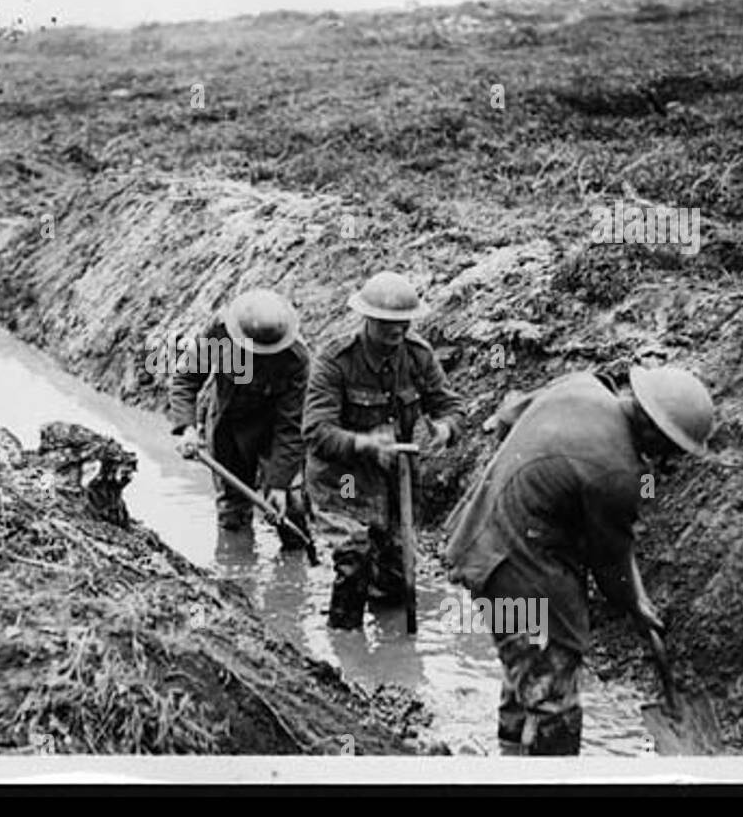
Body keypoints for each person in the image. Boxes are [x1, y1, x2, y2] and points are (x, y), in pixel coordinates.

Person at [443, 365, 715, 755]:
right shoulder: (617, 471)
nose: (669, 462)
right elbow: (610, 566)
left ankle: (512, 756)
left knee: (528, 667)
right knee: (554, 689)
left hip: (482, 542)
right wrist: (635, 607)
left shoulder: (581, 386)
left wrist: (548, 495)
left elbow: (506, 420)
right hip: (518, 567)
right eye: (671, 449)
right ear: (654, 431)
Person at [302, 271, 465, 629]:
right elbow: (316, 431)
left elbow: (450, 405)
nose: (398, 330)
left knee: (395, 574)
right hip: (342, 479)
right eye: (388, 323)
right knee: (355, 554)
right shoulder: (335, 360)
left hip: (393, 480)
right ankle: (344, 644)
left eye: (404, 322)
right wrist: (362, 443)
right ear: (368, 319)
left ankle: (394, 662)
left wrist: (444, 427)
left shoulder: (419, 356)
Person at [170, 289, 311, 546]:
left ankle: (296, 560)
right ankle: (236, 570)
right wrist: (186, 428)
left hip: (273, 430)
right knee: (232, 510)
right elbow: (186, 380)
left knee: (290, 506)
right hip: (229, 425)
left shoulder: (296, 359)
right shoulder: (219, 333)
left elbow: (291, 428)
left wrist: (278, 484)